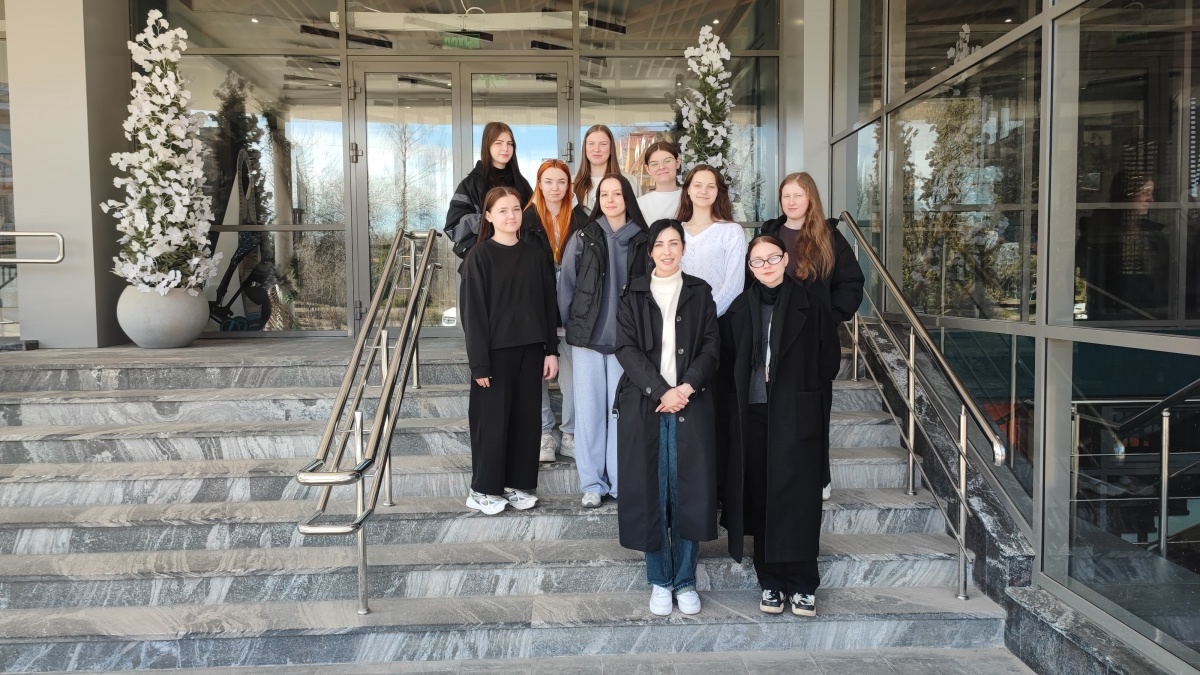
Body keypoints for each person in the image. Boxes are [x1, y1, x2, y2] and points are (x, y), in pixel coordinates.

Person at [719, 234, 841, 617]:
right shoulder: (740, 309)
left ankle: (802, 584)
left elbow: (829, 361)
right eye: (758, 261)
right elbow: (727, 366)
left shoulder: (812, 304)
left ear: (786, 259)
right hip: (754, 415)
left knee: (799, 501)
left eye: (773, 258)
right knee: (762, 499)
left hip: (797, 415)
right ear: (750, 268)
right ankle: (770, 581)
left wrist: (803, 393)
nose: (767, 266)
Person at [615, 219, 720, 617]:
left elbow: (711, 346)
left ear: (683, 249)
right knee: (651, 493)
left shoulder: (700, 292)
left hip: (691, 403)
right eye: (659, 244)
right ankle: (660, 580)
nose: (667, 251)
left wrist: (686, 388)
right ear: (650, 251)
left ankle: (686, 580)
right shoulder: (633, 293)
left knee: (688, 492)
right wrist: (662, 390)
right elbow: (626, 349)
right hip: (647, 405)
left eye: (674, 243)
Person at [759, 172, 864, 500]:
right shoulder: (769, 234)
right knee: (773, 411)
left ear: (810, 199)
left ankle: (819, 478)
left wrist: (828, 317)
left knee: (812, 411)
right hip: (773, 337)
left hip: (813, 342)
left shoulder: (828, 237)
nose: (791, 202)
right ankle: (777, 475)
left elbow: (851, 283)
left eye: (798, 195)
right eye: (786, 195)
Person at [460, 187, 559, 515]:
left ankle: (517, 484)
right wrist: (479, 364)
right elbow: (473, 314)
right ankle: (482, 490)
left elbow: (548, 304)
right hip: (494, 354)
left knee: (525, 422)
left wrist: (551, 349)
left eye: (516, 209)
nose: (511, 216)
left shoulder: (535, 254)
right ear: (488, 216)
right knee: (491, 423)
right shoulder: (479, 256)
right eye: (502, 210)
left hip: (531, 350)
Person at [558, 174, 649, 508]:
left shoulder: (644, 238)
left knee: (621, 414)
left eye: (617, 193)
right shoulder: (584, 236)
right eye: (604, 194)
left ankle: (620, 483)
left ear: (628, 198)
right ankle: (592, 484)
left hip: (628, 342)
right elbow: (567, 285)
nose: (610, 200)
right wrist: (570, 327)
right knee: (589, 413)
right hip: (588, 340)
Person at [522, 159, 587, 462]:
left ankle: (570, 433)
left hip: (573, 311)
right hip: (536, 310)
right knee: (537, 373)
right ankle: (544, 433)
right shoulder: (525, 219)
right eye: (548, 181)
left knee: (574, 376)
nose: (555, 187)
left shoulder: (582, 218)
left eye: (561, 181)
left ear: (569, 185)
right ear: (539, 184)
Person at [444, 121, 534, 261]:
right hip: (485, 260)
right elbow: (453, 228)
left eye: (510, 144)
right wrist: (488, 220)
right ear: (488, 145)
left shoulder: (522, 184)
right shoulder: (471, 184)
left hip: (519, 258)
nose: (505, 148)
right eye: (499, 143)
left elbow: (533, 222)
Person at [678, 165, 747, 317]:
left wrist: (705, 316)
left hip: (718, 320)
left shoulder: (731, 231)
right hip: (679, 319)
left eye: (711, 186)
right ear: (688, 190)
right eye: (697, 185)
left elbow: (734, 286)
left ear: (718, 192)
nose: (704, 191)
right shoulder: (676, 232)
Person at [572, 125, 641, 212]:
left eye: (603, 144)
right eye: (591, 144)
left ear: (611, 148)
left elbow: (638, 217)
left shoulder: (631, 182)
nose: (596, 149)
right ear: (584, 148)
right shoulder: (571, 184)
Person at [636, 141, 683, 224]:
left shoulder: (692, 198)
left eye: (667, 161)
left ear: (677, 162)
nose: (661, 167)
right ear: (647, 169)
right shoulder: (639, 205)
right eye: (654, 164)